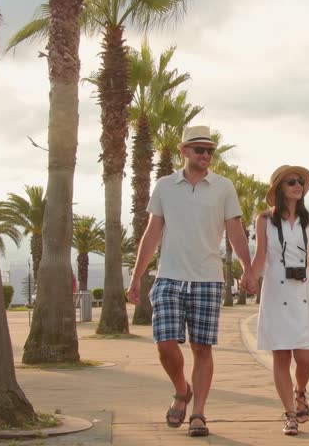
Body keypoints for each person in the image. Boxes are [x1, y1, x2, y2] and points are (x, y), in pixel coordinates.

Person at [128, 125, 257, 438]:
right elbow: (153, 232)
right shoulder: (165, 186)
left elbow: (236, 231)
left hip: (208, 280)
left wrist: (248, 269)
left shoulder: (223, 187)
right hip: (169, 276)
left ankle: (198, 413)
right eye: (200, 150)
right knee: (164, 344)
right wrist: (136, 276)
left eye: (210, 150)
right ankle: (180, 389)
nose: (206, 155)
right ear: (184, 151)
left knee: (202, 348)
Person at [251, 164, 309, 436]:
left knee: (305, 358)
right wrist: (250, 276)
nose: (298, 186)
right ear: (279, 189)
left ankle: (300, 390)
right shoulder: (264, 220)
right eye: (291, 182)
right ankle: (289, 414)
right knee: (281, 355)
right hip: (275, 291)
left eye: (300, 182)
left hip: (303, 294)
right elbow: (261, 255)